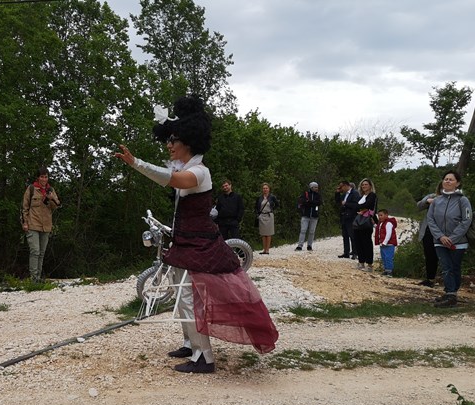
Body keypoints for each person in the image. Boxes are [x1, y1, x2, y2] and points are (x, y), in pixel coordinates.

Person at [114, 95, 278, 373]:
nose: (169, 145)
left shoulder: (200, 172)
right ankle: (191, 344)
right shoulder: (187, 167)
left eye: (173, 141)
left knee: (190, 298)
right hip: (185, 241)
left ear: (187, 143)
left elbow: (173, 181)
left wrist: (137, 164)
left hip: (199, 244)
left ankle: (204, 358)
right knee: (182, 297)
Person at [427, 170, 472, 308]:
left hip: (457, 242)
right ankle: (449, 293)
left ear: (457, 183)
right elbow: (430, 219)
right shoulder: (436, 200)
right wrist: (441, 236)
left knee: (454, 267)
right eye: (445, 179)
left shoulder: (462, 200)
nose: (447, 181)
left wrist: (452, 238)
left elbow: (467, 220)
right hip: (440, 241)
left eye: (451, 179)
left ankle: (452, 294)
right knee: (446, 267)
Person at [21, 167, 61, 282]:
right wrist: (25, 222)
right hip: (33, 224)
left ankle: (38, 278)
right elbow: (24, 207)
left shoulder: (51, 190)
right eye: (42, 176)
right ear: (38, 178)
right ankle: (34, 278)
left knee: (42, 253)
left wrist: (52, 199)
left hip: (46, 225)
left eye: (46, 177)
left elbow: (56, 207)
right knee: (35, 251)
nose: (44, 179)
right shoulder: (32, 188)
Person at [416, 186, 440, 287]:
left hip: (443, 232)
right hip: (428, 230)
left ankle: (449, 282)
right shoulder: (432, 196)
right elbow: (419, 206)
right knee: (429, 255)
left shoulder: (455, 199)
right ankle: (430, 279)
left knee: (445, 257)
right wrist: (427, 201)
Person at [353, 178, 377, 271]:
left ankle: (369, 264)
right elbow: (357, 207)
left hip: (367, 221)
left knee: (366, 242)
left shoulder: (372, 195)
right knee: (358, 241)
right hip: (359, 221)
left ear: (370, 186)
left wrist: (362, 208)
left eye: (366, 184)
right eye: (363, 185)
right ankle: (361, 262)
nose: (364, 186)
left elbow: (367, 205)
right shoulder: (361, 196)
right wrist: (361, 208)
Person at [335, 180, 359, 258]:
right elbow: (338, 202)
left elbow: (356, 205)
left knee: (352, 235)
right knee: (345, 235)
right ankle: (346, 252)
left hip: (351, 217)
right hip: (344, 216)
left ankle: (355, 252)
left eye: (341, 187)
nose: (340, 188)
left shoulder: (354, 193)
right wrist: (337, 193)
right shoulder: (344, 194)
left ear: (346, 185)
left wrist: (346, 204)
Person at [295, 181, 321, 251]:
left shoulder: (318, 195)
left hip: (314, 215)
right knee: (303, 230)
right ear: (311, 187)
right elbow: (303, 202)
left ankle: (309, 245)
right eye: (315, 187)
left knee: (312, 231)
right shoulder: (305, 194)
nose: (317, 188)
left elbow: (319, 203)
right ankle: (300, 245)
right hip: (305, 215)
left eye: (317, 187)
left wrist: (309, 202)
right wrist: (311, 203)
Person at [256, 183, 278, 254]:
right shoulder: (259, 198)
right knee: (263, 233)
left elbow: (277, 204)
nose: (265, 189)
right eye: (264, 188)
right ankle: (264, 249)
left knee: (268, 233)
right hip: (262, 216)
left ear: (269, 189)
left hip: (269, 216)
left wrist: (272, 209)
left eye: (266, 188)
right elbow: (256, 206)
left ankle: (267, 249)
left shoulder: (272, 197)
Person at [374, 209, 397, 276]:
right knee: (384, 257)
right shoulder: (381, 223)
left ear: (386, 215)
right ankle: (386, 270)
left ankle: (390, 271)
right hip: (383, 244)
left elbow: (388, 233)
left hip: (389, 244)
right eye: (379, 216)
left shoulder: (389, 223)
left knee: (388, 257)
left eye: (381, 215)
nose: (380, 217)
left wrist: (385, 242)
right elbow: (379, 230)